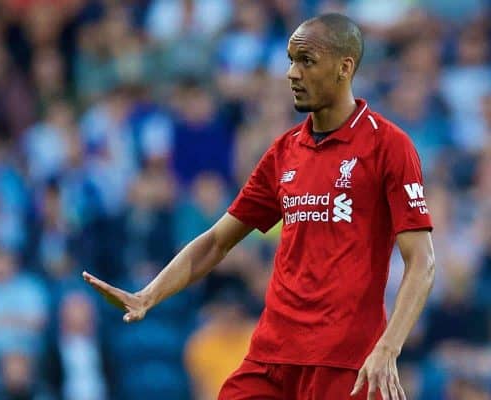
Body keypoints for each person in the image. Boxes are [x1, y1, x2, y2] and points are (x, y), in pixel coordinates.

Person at [82, 13, 435, 400]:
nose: (292, 74)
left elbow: (422, 261)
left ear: (344, 67)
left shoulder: (387, 145)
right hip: (271, 358)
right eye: (290, 60)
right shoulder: (284, 152)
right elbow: (217, 241)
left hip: (345, 362)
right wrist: (149, 294)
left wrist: (388, 346)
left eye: (307, 61)